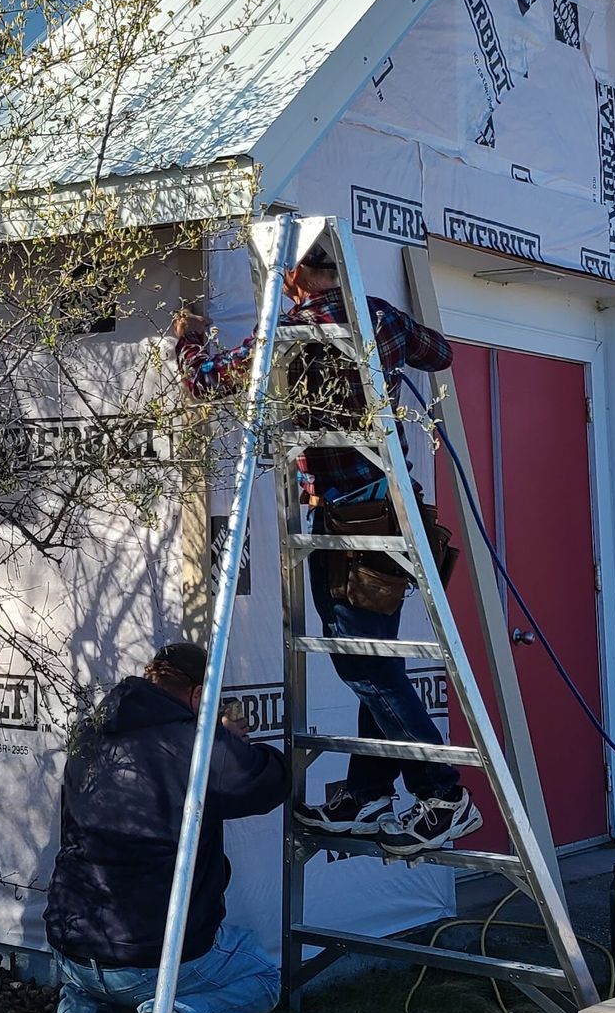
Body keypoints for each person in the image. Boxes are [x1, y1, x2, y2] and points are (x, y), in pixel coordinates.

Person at [173, 240, 481, 856]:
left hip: (349, 524)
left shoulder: (287, 332)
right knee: (376, 658)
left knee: (362, 665)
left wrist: (188, 340)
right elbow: (440, 353)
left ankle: (442, 792)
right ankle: (368, 792)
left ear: (293, 274)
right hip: (392, 510)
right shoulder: (378, 316)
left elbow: (204, 383)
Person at [44, 640, 289, 1013]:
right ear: (198, 696)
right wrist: (227, 740)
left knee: (104, 910)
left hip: (71, 950)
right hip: (146, 958)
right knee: (265, 977)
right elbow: (270, 782)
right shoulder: (193, 746)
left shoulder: (90, 731)